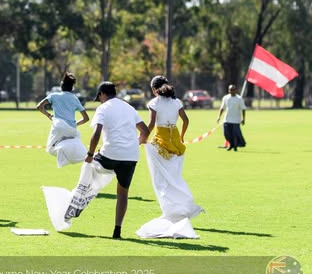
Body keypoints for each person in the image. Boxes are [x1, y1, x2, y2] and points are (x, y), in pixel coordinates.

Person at [136, 75, 203, 239]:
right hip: (175, 144)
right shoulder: (176, 102)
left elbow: (151, 124)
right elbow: (185, 120)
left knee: (161, 180)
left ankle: (171, 210)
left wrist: (142, 139)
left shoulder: (154, 103)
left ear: (154, 89)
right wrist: (181, 136)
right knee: (174, 177)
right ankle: (181, 207)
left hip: (161, 143)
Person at [85, 81, 149, 239]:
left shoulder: (103, 108)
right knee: (122, 193)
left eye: (99, 98)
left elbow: (96, 133)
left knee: (87, 171)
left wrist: (90, 154)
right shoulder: (129, 107)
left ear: (102, 94)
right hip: (131, 156)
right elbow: (145, 131)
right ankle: (117, 231)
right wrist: (136, 143)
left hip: (109, 155)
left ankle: (78, 200)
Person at [37, 72, 90, 166]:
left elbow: (39, 106)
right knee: (74, 143)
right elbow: (86, 118)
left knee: (50, 149)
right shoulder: (74, 98)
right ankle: (82, 156)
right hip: (72, 129)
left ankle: (61, 151)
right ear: (72, 88)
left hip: (58, 126)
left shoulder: (54, 96)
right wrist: (75, 124)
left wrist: (49, 116)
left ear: (61, 86)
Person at [216, 84, 246, 151]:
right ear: (229, 90)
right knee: (226, 134)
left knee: (235, 135)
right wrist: (219, 116)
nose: (232, 91)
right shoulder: (225, 98)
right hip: (227, 119)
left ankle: (235, 146)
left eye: (233, 90)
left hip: (236, 120)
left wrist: (243, 119)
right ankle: (231, 144)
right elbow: (222, 108)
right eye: (230, 90)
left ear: (236, 90)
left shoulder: (239, 99)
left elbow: (243, 109)